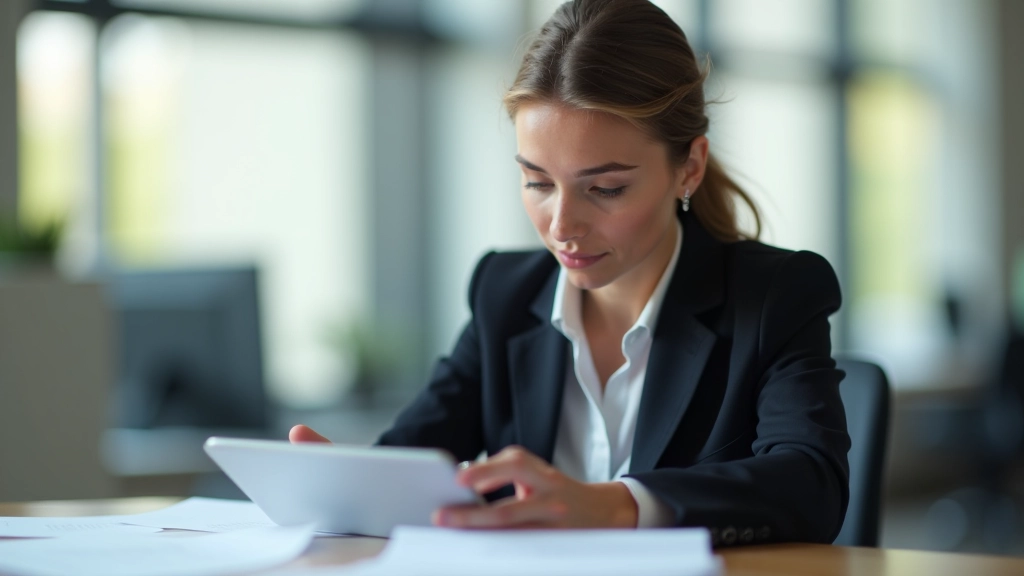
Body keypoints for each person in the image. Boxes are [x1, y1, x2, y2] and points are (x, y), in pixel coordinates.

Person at [290, 0, 850, 546]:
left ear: (690, 167)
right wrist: (348, 485)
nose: (561, 225)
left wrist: (611, 504)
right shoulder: (503, 294)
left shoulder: (775, 296)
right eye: (537, 182)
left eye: (605, 188)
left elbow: (811, 485)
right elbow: (414, 457)